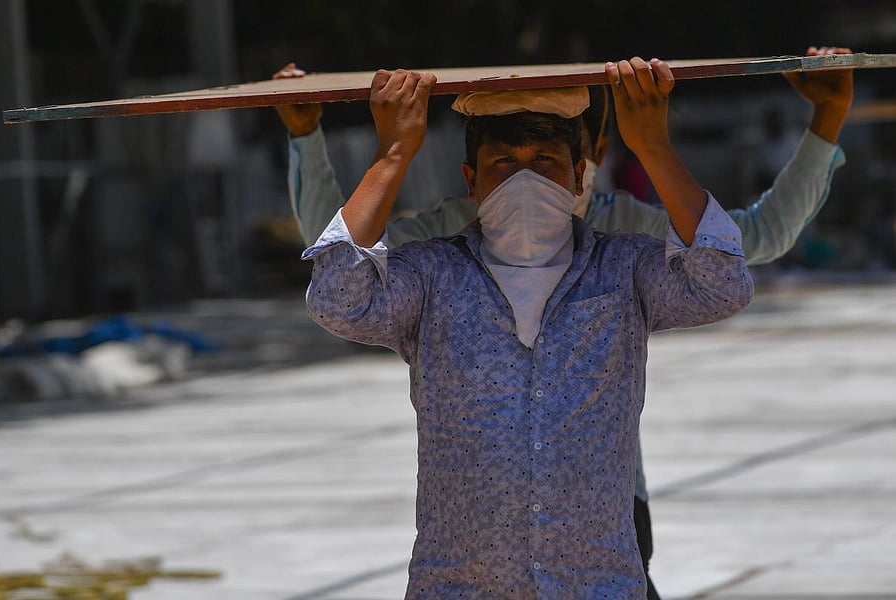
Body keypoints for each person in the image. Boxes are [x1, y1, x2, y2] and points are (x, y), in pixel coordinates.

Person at [277, 45, 854, 600]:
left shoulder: (628, 251)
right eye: (504, 158)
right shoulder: (434, 259)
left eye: (547, 155)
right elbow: (338, 279)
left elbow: (727, 273)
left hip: (597, 561)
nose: (524, 179)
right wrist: (378, 150)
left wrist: (655, 145)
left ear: (589, 159)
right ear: (471, 177)